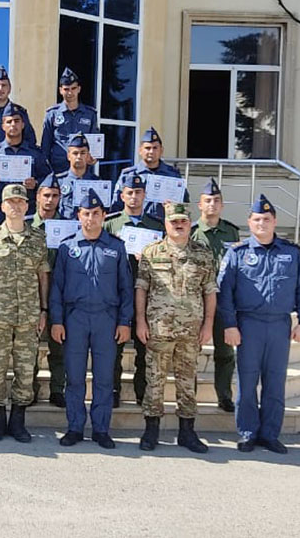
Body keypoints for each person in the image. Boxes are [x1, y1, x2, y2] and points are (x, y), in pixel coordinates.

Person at [218, 194, 300, 454]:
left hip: (280, 325)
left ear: (275, 222)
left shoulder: (291, 253)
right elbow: (225, 293)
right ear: (249, 222)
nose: (262, 223)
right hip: (249, 324)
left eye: (267, 219)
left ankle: (270, 434)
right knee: (247, 382)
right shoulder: (237, 253)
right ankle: (248, 433)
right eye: (257, 219)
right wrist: (230, 325)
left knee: (275, 382)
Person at [51, 189, 133, 449]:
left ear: (103, 216)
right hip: (75, 318)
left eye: (95, 213)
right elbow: (57, 287)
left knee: (104, 378)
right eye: (86, 213)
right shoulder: (67, 247)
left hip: (106, 319)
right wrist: (56, 321)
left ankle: (101, 429)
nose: (90, 218)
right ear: (79, 215)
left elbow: (126, 288)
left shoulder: (116, 247)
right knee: (74, 377)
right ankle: (75, 427)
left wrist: (125, 321)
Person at [135, 202, 217, 453]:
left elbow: (210, 291)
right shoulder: (151, 252)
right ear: (166, 224)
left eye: (183, 221)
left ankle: (187, 432)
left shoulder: (203, 254)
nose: (179, 225)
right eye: (174, 221)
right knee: (154, 380)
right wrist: (140, 321)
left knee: (187, 382)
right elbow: (141, 289)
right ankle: (151, 430)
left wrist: (208, 325)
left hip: (191, 330)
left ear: (190, 224)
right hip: (158, 329)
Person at [0, 184, 50, 443]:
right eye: (11, 202)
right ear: (2, 206)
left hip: (29, 315)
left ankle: (18, 421)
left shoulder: (38, 238)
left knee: (25, 369)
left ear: (27, 206)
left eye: (20, 202)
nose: (16, 206)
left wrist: (44, 310)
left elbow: (43, 276)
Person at [102, 171, 164, 407]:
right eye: (130, 193)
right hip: (116, 293)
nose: (134, 197)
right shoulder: (110, 224)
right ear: (122, 196)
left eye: (138, 192)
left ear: (145, 195)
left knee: (145, 347)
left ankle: (142, 392)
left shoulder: (156, 226)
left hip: (148, 294)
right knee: (113, 348)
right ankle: (113, 391)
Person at [190, 177, 241, 412]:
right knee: (190, 352)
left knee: (225, 352)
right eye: (208, 200)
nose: (212, 204)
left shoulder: (231, 232)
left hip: (223, 299)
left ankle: (224, 396)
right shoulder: (191, 232)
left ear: (222, 205)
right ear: (200, 205)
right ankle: (188, 396)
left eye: (216, 200)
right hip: (195, 300)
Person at [30, 174, 66, 407]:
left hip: (60, 292)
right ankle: (29, 388)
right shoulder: (26, 226)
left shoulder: (69, 226)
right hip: (31, 292)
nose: (50, 200)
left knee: (59, 344)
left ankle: (57, 389)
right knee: (29, 345)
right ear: (37, 197)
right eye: (46, 195)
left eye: (54, 196)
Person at [0, 104, 49, 216]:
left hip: (27, 209)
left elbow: (47, 178)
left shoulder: (35, 153)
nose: (13, 124)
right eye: (9, 122)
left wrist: (35, 183)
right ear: (3, 126)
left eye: (17, 121)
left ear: (23, 125)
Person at [112, 128, 188, 221]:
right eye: (147, 148)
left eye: (155, 148)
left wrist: (173, 205)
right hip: (138, 224)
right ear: (140, 150)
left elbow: (184, 201)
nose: (151, 152)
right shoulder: (128, 174)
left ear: (161, 150)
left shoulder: (173, 174)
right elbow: (117, 204)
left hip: (164, 223)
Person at [40, 68, 100, 174]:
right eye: (66, 89)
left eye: (73, 88)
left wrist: (94, 157)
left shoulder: (90, 114)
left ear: (79, 89)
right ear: (60, 90)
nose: (70, 92)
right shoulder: (52, 114)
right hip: (58, 168)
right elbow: (46, 145)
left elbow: (95, 141)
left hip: (82, 170)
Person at [53, 134, 100, 219]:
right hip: (65, 225)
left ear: (88, 156)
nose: (79, 157)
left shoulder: (97, 183)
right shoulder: (59, 181)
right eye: (75, 153)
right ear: (68, 156)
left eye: (83, 153)